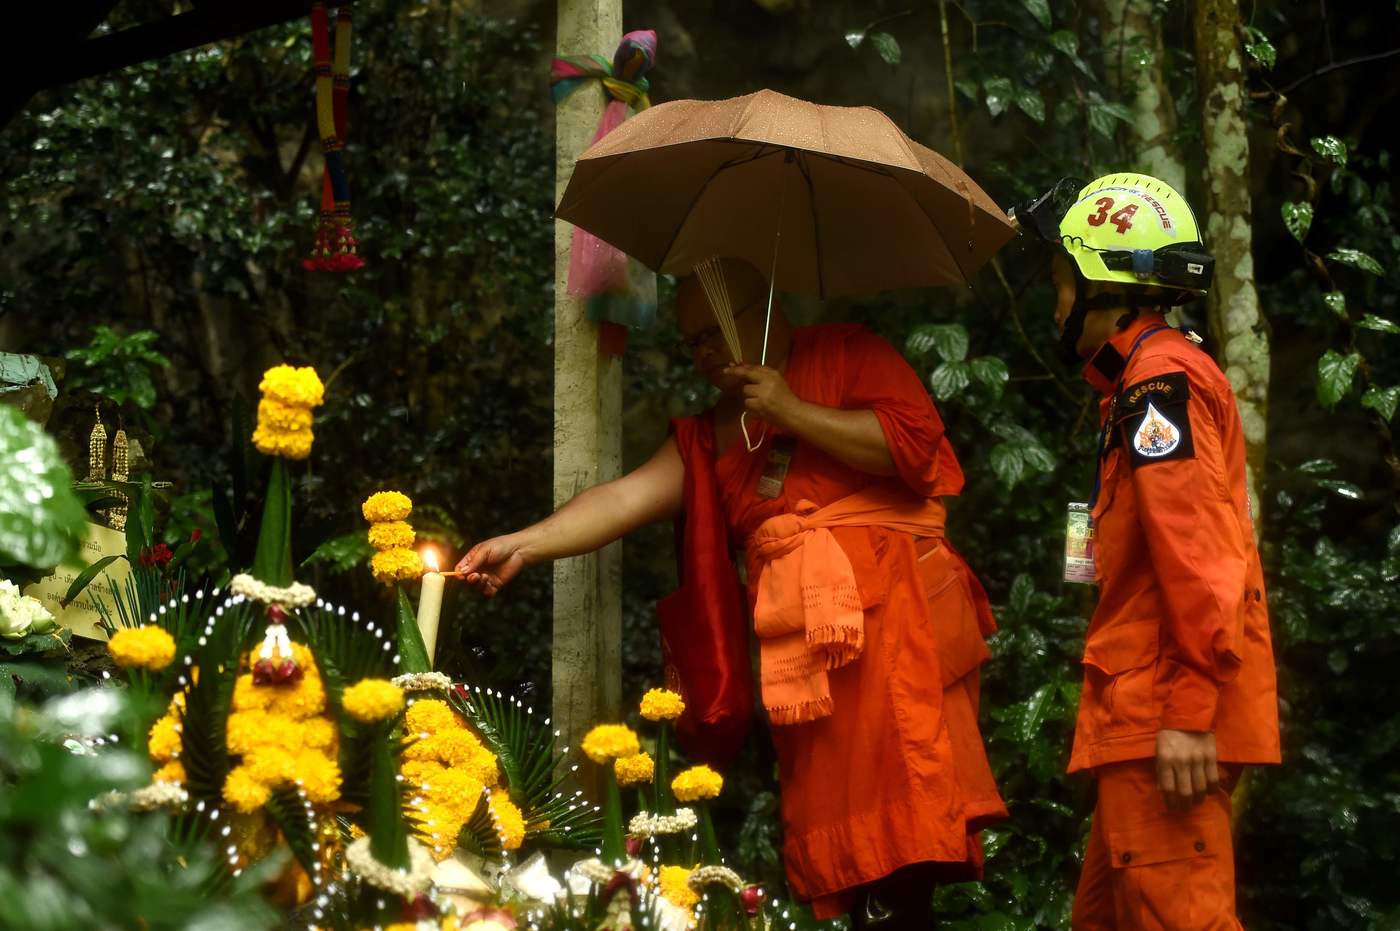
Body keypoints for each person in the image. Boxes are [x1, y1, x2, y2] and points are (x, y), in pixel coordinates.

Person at [458, 258, 1005, 927]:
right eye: (693, 341)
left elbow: (911, 448)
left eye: (716, 331)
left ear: (764, 312)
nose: (706, 353)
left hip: (896, 628)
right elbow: (626, 496)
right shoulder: (716, 429)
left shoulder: (847, 351)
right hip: (808, 657)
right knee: (857, 857)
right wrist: (524, 541)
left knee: (907, 849)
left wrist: (790, 409)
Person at [1011, 173, 1280, 929]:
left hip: (1161, 707)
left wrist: (1191, 708)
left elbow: (1200, 554)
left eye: (1064, 283)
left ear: (1107, 288)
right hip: (1137, 704)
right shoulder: (1135, 386)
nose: (1056, 304)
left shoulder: (1159, 382)